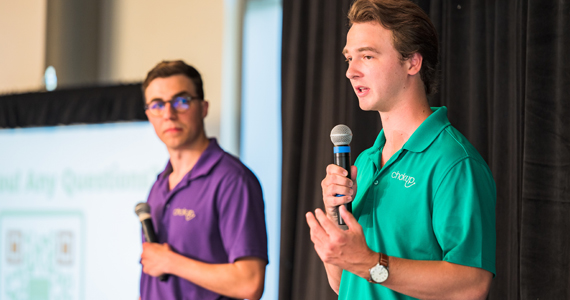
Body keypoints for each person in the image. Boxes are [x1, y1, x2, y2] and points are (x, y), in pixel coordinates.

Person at [305, 1, 496, 299]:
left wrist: (371, 263)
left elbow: (472, 286)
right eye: (349, 59)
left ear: (412, 62)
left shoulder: (454, 163)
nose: (351, 72)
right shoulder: (365, 162)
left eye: (367, 56)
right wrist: (335, 222)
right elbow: (344, 283)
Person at [139, 60, 268, 300]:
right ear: (148, 114)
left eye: (181, 101)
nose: (168, 114)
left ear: (204, 108)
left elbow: (249, 283)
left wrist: (170, 261)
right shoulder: (159, 186)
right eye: (157, 105)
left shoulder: (232, 180)